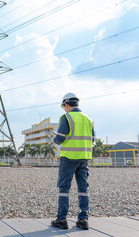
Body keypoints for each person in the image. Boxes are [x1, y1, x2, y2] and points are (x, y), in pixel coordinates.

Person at [51, 93, 94, 230]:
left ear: (67, 104)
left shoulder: (67, 117)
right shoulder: (88, 119)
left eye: (64, 106)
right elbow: (92, 139)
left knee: (64, 188)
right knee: (83, 188)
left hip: (69, 158)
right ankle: (83, 219)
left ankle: (62, 219)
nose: (64, 109)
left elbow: (60, 139)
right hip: (84, 158)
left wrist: (55, 138)